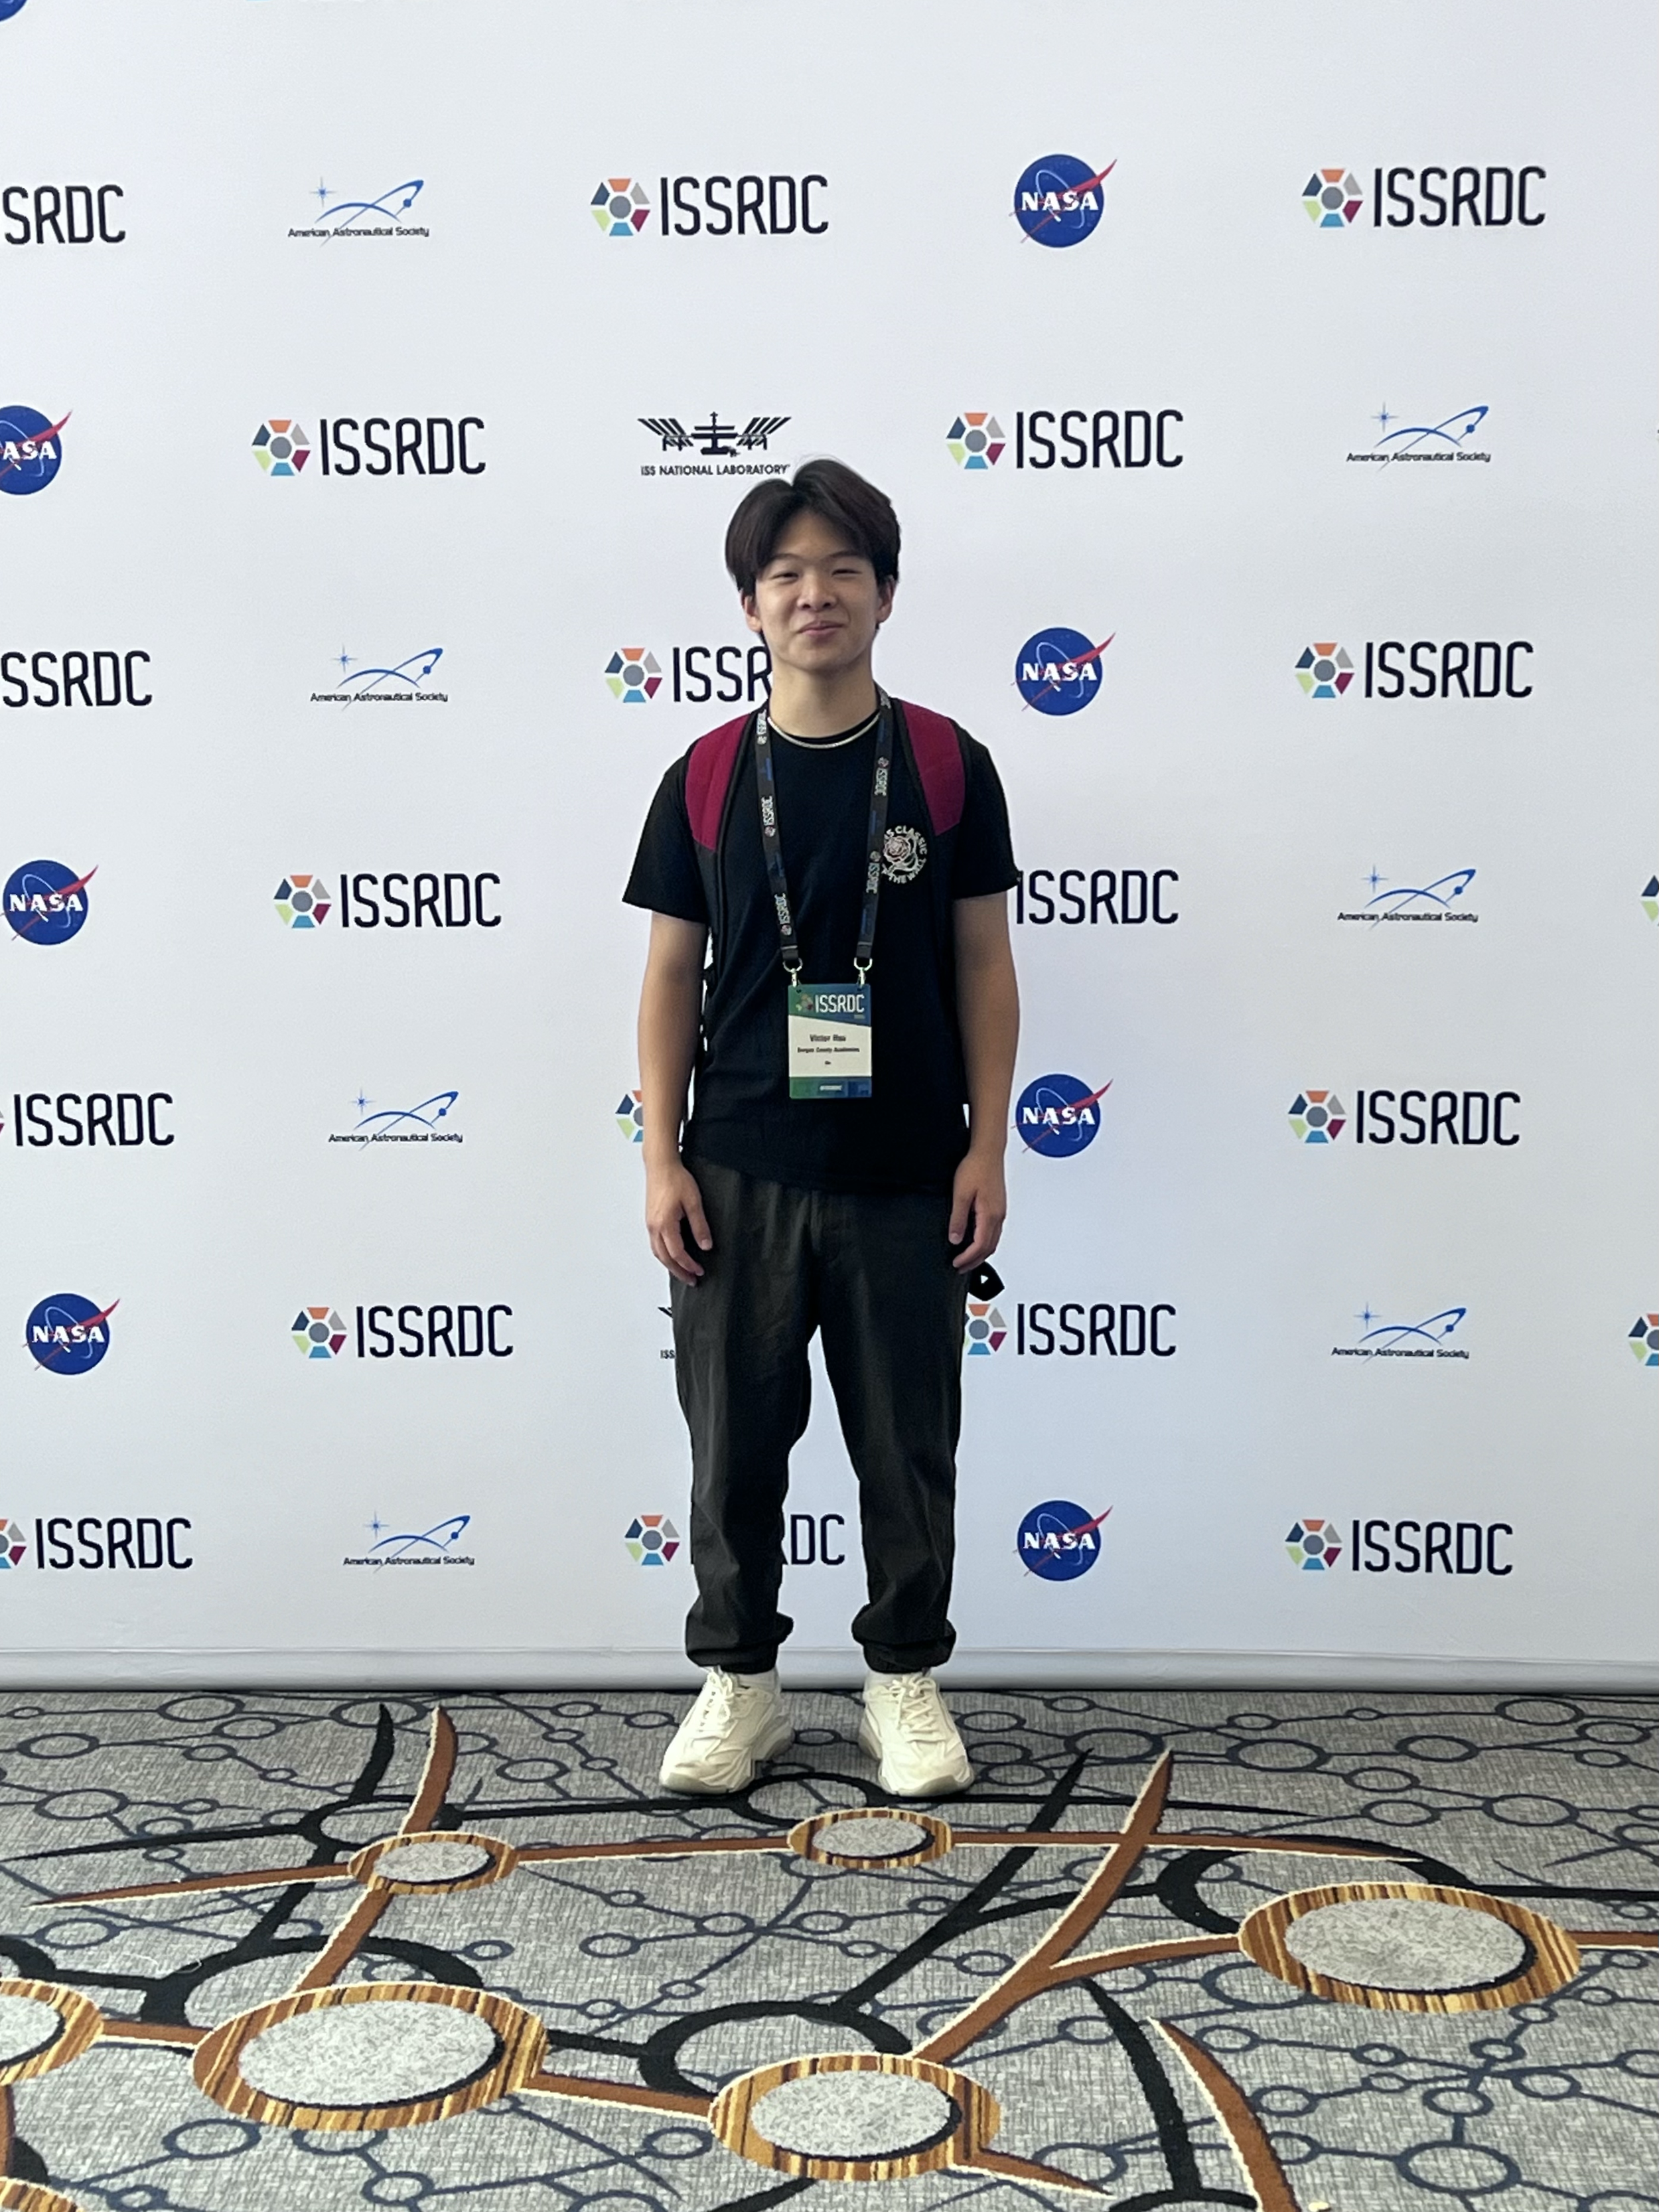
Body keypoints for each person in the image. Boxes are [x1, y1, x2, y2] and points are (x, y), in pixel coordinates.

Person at [622, 459, 1019, 1798]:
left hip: (907, 1167)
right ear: (748, 606)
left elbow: (981, 964)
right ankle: (738, 1681)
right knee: (732, 1438)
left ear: (884, 593)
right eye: (785, 574)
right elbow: (671, 973)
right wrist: (660, 1152)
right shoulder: (708, 774)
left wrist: (986, 1143)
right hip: (737, 1167)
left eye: (840, 570)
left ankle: (899, 1679)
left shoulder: (948, 765)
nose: (813, 594)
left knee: (907, 1441)